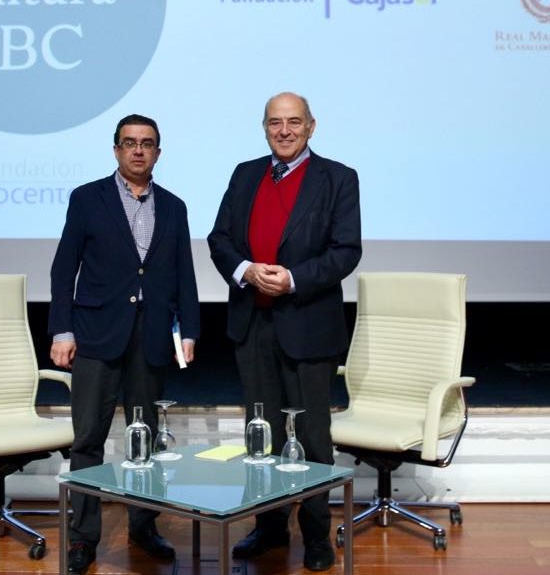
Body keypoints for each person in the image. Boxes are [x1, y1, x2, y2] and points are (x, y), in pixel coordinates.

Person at [207, 92, 361, 572]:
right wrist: (246, 270)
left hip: (308, 324)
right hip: (252, 323)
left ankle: (317, 536)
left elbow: (345, 251)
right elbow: (220, 239)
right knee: (263, 435)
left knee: (313, 437)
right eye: (276, 122)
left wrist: (293, 279)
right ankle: (269, 527)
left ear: (312, 126)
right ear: (264, 127)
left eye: (295, 122)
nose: (285, 131)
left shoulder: (339, 178)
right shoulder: (244, 173)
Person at [49, 114, 201, 574]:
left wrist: (189, 330)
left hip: (151, 338)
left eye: (147, 143)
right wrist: (62, 330)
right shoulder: (87, 199)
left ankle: (143, 526)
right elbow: (63, 269)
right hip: (96, 336)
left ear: (158, 151)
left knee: (146, 441)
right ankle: (83, 537)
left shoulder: (174, 206)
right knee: (88, 440)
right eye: (129, 143)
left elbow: (184, 275)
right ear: (116, 150)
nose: (138, 150)